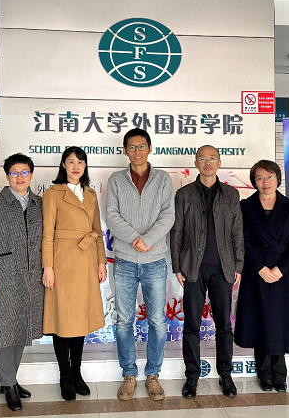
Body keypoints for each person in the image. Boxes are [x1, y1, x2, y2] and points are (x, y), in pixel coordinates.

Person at [106, 129, 175, 401]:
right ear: (125, 151)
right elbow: (112, 216)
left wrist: (147, 240)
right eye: (132, 147)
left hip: (155, 260)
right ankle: (129, 374)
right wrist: (136, 239)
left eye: (142, 146)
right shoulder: (116, 180)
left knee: (157, 321)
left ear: (149, 148)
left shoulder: (163, 179)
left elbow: (168, 216)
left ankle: (153, 374)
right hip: (124, 258)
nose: (137, 151)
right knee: (124, 320)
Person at [171, 145, 244, 399]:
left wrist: (238, 265)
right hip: (193, 268)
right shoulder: (184, 194)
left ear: (219, 162)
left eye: (212, 158)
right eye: (202, 158)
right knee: (191, 325)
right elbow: (177, 231)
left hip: (223, 268)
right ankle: (192, 376)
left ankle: (226, 375)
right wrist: (177, 266)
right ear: (196, 163)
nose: (207, 162)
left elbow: (237, 232)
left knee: (224, 325)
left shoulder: (231, 194)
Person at [0, 153, 44, 412]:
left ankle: (9, 380)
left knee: (22, 327)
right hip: (2, 275)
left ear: (31, 175)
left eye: (24, 172)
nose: (20, 177)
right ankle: (9, 385)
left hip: (32, 277)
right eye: (14, 173)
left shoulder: (39, 204)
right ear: (7, 176)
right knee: (3, 330)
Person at [234, 160, 289, 393]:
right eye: (259, 178)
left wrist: (281, 269)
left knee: (280, 323)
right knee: (260, 322)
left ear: (277, 178)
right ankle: (264, 374)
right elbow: (243, 241)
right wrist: (260, 268)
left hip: (283, 273)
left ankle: (280, 374)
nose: (265, 182)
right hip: (256, 271)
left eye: (269, 177)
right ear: (253, 182)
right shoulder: (246, 206)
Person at [42, 146, 107, 402]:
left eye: (80, 162)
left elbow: (97, 230)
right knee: (62, 320)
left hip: (87, 261)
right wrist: (48, 266)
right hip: (62, 262)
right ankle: (65, 375)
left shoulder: (90, 193)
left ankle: (77, 372)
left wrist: (101, 262)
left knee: (80, 319)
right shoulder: (53, 193)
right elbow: (47, 233)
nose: (76, 166)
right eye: (71, 162)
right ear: (63, 165)